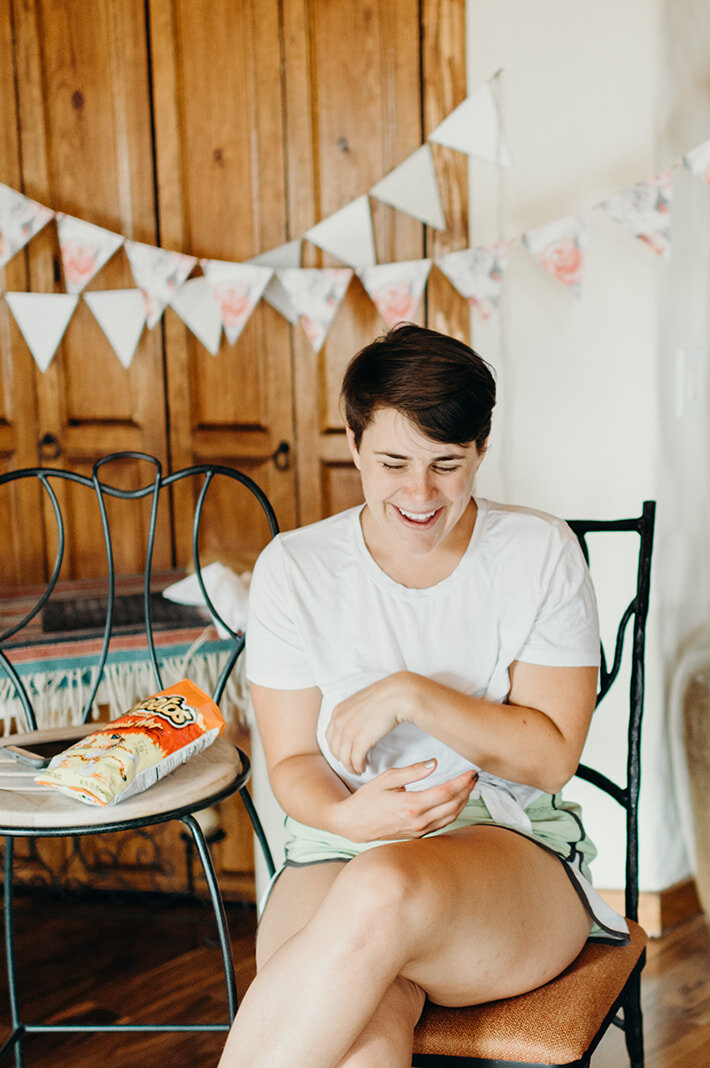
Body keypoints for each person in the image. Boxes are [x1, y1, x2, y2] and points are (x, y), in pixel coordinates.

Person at [218, 324, 626, 1068]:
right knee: (360, 1038)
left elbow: (549, 760)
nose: (419, 493)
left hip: (507, 849)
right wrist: (348, 813)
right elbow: (294, 764)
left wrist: (413, 695)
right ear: (352, 439)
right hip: (332, 847)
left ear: (481, 449)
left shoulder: (537, 552)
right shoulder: (294, 568)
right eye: (394, 462)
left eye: (447, 464)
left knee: (381, 884)